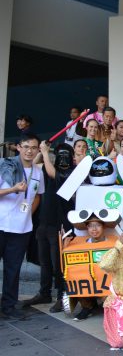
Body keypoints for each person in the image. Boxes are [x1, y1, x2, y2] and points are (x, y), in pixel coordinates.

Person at [21, 142, 75, 312]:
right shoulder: (45, 166)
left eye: (66, 153)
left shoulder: (71, 171)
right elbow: (32, 165)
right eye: (59, 153)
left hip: (60, 224)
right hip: (43, 223)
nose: (62, 156)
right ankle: (44, 292)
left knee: (58, 263)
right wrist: (39, 151)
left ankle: (61, 295)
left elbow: (53, 174)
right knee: (44, 261)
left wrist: (44, 152)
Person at [0, 134, 45, 319]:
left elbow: (38, 196)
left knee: (13, 269)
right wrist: (13, 189)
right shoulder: (5, 165)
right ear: (18, 147)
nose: (29, 151)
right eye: (26, 146)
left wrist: (27, 214)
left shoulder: (38, 172)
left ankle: (9, 307)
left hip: (22, 229)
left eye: (33, 147)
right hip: (1, 225)